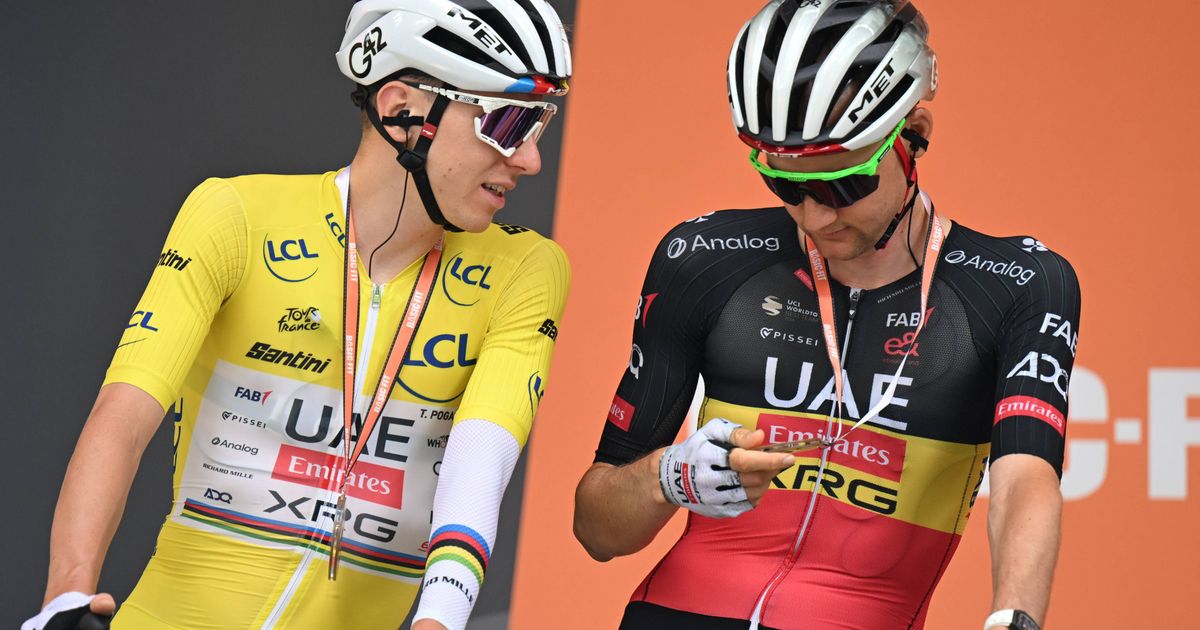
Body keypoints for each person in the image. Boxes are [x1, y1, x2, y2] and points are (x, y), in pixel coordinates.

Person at [25, 1, 572, 629]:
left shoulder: (525, 270)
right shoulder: (237, 217)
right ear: (401, 111)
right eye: (506, 122)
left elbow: (478, 467)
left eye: (539, 125)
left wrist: (440, 620)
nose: (529, 159)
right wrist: (67, 595)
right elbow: (122, 416)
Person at [573, 2, 1079, 629]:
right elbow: (597, 530)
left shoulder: (1019, 285)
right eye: (786, 185)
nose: (815, 215)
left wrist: (1014, 618)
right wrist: (666, 478)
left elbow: (1026, 479)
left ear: (914, 134)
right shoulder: (704, 258)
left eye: (842, 185)